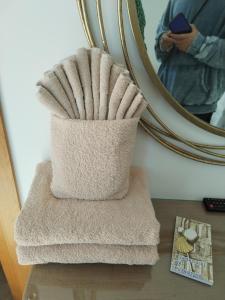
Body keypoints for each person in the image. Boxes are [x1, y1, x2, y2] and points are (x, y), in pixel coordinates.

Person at [155, 0, 225, 123]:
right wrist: (163, 42)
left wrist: (197, 44)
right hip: (160, 95)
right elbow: (161, 34)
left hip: (198, 109)